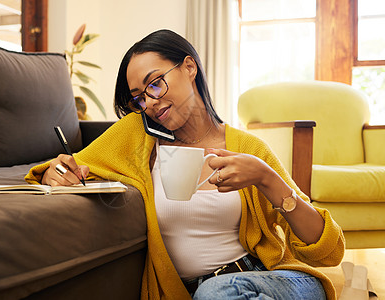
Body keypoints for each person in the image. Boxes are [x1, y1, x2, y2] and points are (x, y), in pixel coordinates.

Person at [25, 29, 345, 300]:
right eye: (138, 97)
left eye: (155, 84)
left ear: (189, 67)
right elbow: (68, 166)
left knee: (218, 292)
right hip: (198, 293)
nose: (149, 103)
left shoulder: (248, 149)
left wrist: (267, 179)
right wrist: (56, 173)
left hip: (272, 279)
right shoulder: (137, 137)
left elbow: (328, 252)